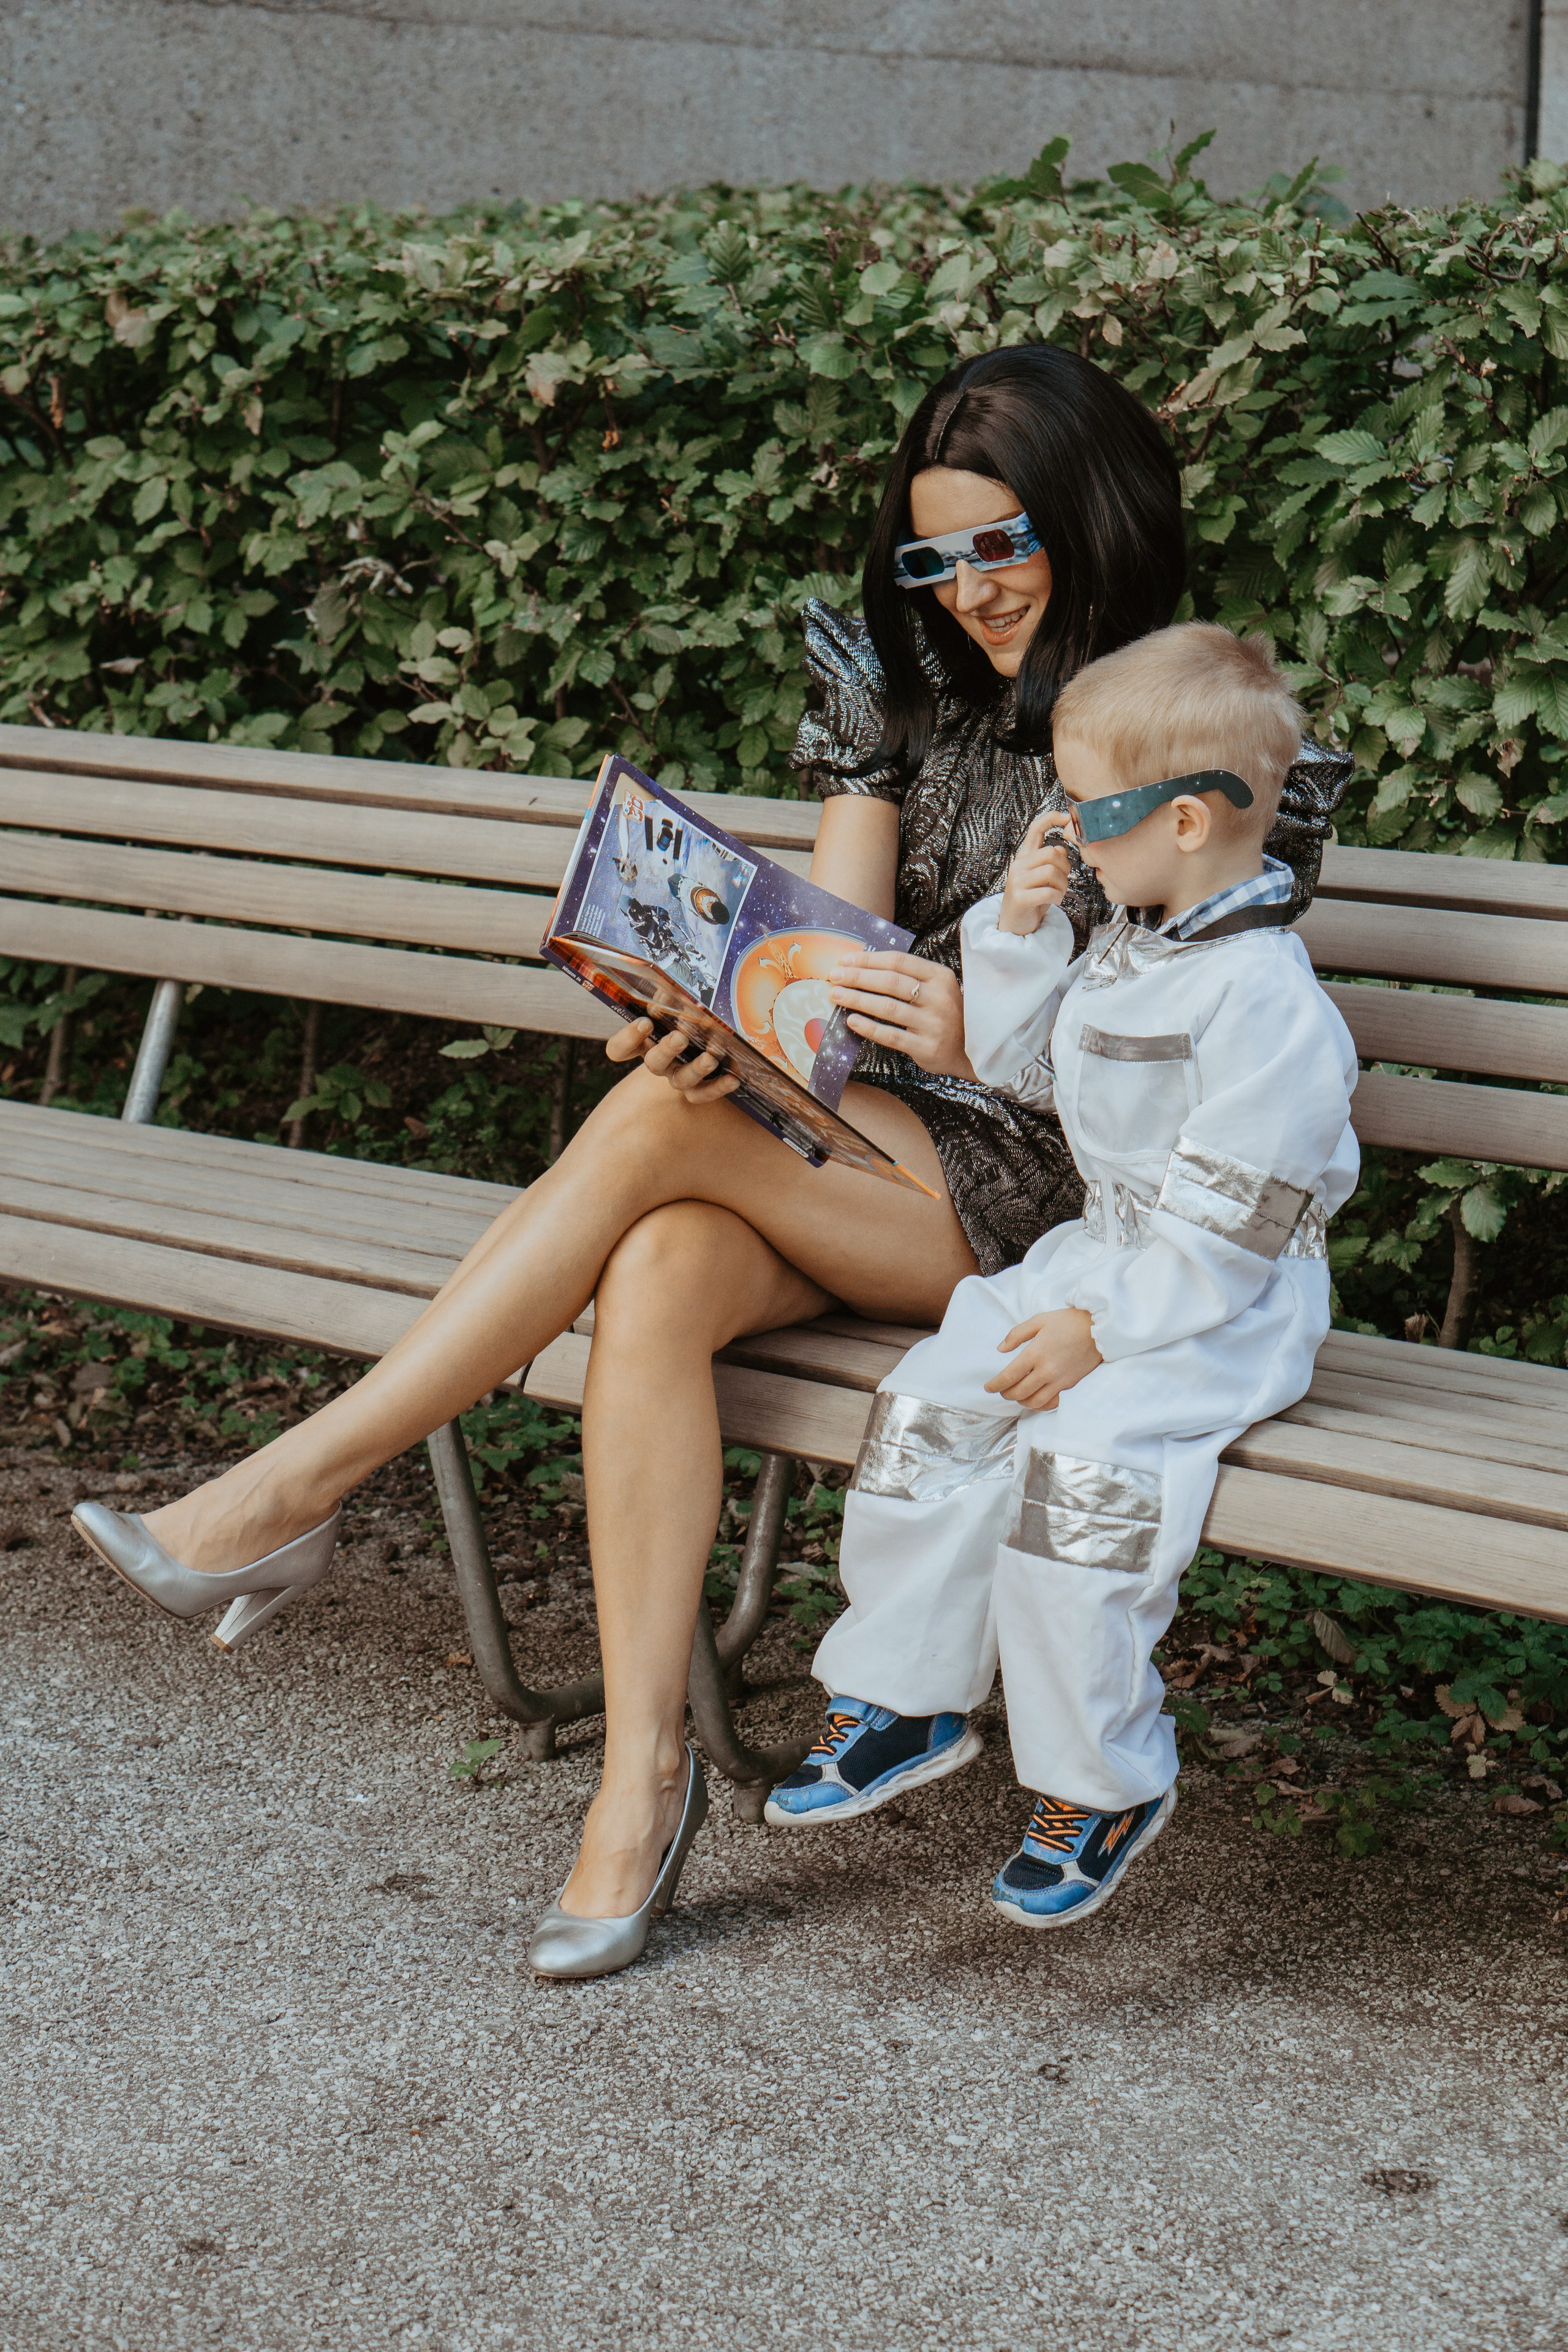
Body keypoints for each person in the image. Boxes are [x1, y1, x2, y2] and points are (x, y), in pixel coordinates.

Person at [69, 344, 1346, 1981]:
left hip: (1068, 1199)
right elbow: (829, 977)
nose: (972, 590)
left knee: (667, 1147)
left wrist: (974, 1023)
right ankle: (639, 1779)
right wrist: (723, 1020)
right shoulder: (900, 693)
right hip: (879, 1140)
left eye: (1004, 544)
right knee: (661, 1253)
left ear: (1092, 517)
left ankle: (294, 1488)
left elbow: (1193, 1017)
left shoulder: (1220, 734)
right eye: (933, 557)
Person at [765, 623, 1360, 1929]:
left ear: (1190, 821)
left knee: (1082, 1474)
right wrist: (1020, 926)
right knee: (937, 1402)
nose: (1067, 830)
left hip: (1219, 1302)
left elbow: (1227, 1231)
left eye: (1084, 809)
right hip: (1101, 1259)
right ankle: (907, 1699)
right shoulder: (1136, 934)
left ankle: (1098, 1782)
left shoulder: (1264, 1003)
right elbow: (1031, 1076)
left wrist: (1102, 1328)